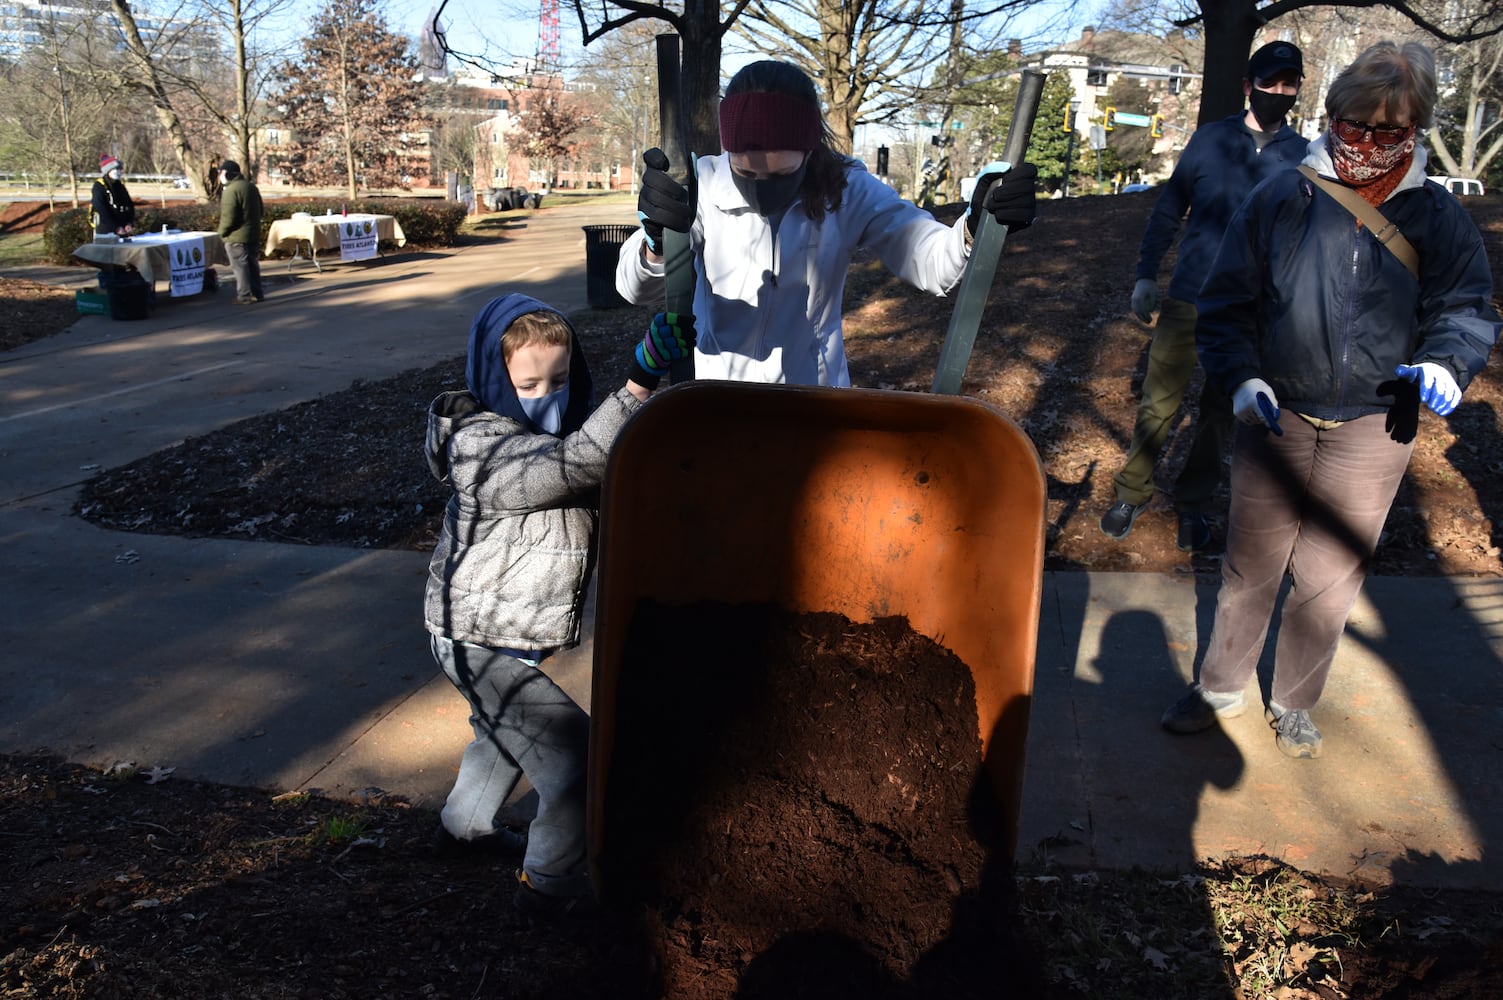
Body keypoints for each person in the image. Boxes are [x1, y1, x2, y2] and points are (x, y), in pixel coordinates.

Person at [1161, 41, 1499, 758]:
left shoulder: (1435, 214)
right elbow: (1226, 305)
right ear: (1330, 116)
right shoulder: (1281, 195)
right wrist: (1241, 375)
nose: (1368, 145)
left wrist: (1446, 360)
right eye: (1353, 126)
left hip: (1376, 422)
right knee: (1251, 562)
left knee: (1328, 575)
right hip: (1276, 412)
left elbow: (1464, 304)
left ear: (1414, 130)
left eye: (1389, 132)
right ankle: (1220, 685)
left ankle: (1293, 700)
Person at [424, 292, 693, 914]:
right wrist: (641, 379)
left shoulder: (557, 430)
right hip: (474, 639)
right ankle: (550, 884)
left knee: (505, 733)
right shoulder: (482, 450)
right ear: (495, 379)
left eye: (560, 378)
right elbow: (575, 465)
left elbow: (593, 473)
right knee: (576, 761)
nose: (546, 393)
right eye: (528, 382)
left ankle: (463, 829)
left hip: (501, 634)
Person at [616, 58, 1037, 386]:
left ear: (809, 150)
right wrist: (657, 242)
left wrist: (973, 225)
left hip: (814, 402)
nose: (762, 188)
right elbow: (637, 290)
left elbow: (929, 262)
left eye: (781, 175)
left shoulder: (846, 188)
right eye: (746, 174)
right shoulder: (703, 185)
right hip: (716, 399)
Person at [1100, 42, 1309, 552]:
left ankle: (1194, 504)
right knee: (1159, 404)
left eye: (1289, 83)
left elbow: (1308, 236)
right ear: (1247, 86)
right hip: (1190, 297)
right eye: (1269, 82)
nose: (1278, 92)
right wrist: (1146, 274)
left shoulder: (1304, 156)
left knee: (1221, 415)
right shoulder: (1210, 140)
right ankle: (1132, 492)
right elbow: (1169, 209)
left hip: (1252, 310)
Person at [216, 159, 264, 304]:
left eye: (221, 173)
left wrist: (222, 232)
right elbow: (261, 210)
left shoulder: (231, 190)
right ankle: (257, 293)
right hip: (252, 233)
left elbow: (229, 216)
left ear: (229, 174)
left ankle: (244, 296)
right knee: (252, 264)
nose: (220, 176)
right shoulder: (251, 187)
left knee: (240, 267)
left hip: (236, 236)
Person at [91, 154, 136, 240]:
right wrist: (115, 227)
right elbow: (101, 209)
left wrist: (129, 223)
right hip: (105, 232)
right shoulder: (99, 186)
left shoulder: (120, 186)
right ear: (107, 171)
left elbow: (129, 205)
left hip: (122, 231)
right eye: (114, 169)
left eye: (119, 169)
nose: (117, 171)